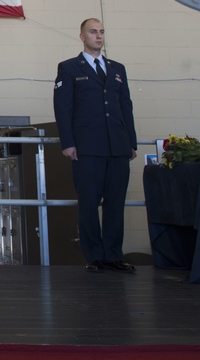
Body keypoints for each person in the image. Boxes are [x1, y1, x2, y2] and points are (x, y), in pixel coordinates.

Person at [53, 18, 138, 273]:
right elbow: (63, 108)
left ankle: (113, 255)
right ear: (82, 36)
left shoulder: (117, 69)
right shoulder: (69, 68)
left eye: (101, 32)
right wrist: (68, 142)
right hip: (87, 148)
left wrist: (131, 141)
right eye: (93, 32)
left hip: (117, 147)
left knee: (115, 203)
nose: (98, 36)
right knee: (89, 203)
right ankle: (94, 256)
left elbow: (126, 106)